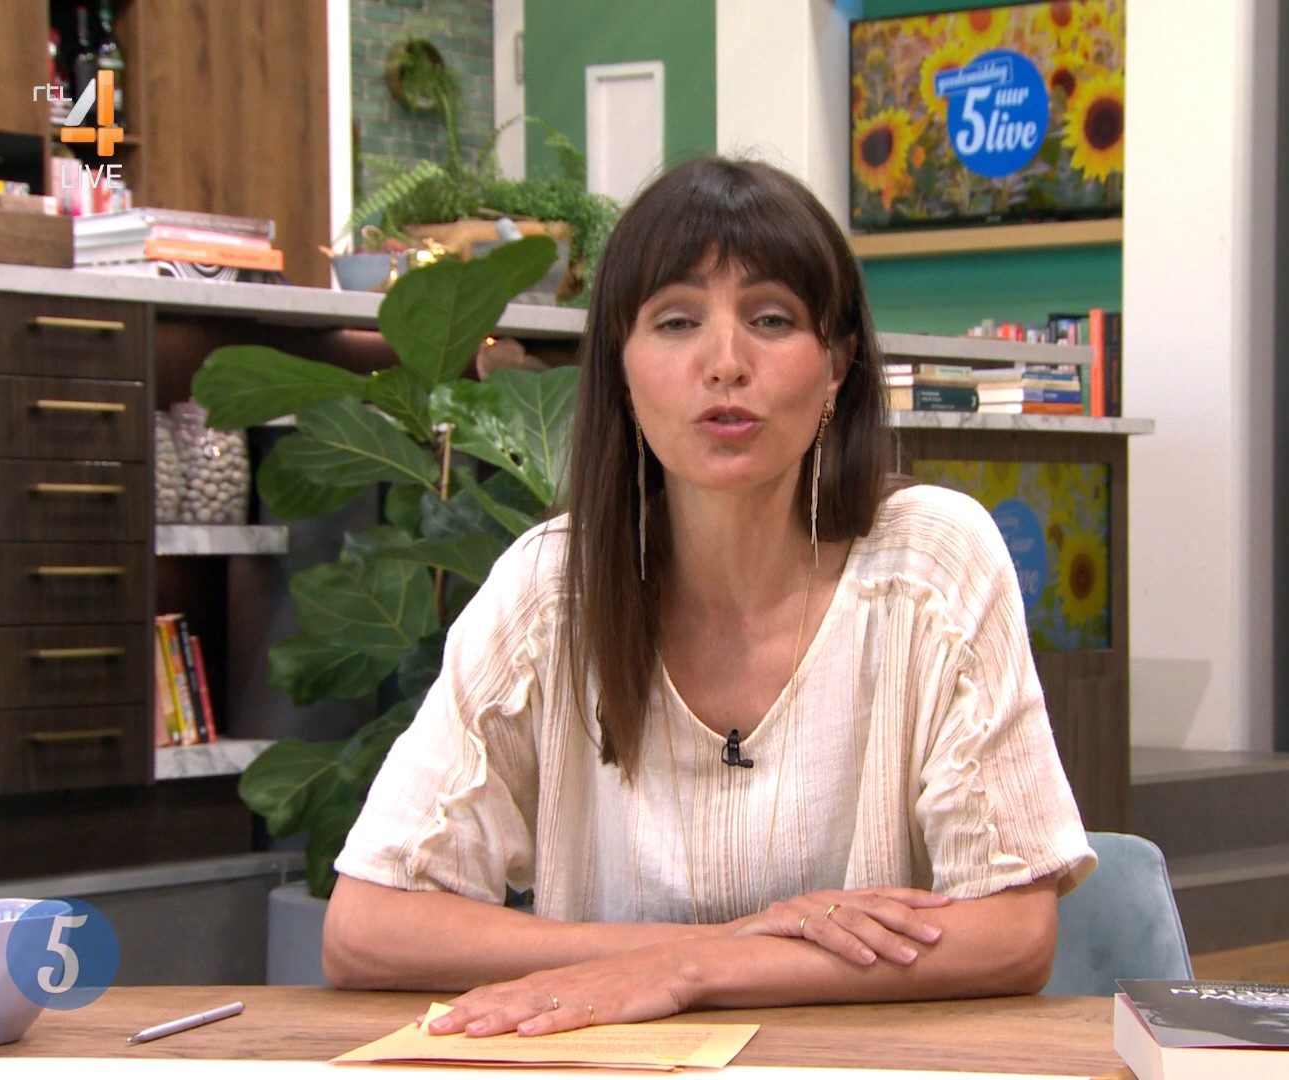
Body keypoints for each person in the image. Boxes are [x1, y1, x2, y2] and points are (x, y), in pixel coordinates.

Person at [323, 156, 1096, 1038]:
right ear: (620, 369)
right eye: (676, 321)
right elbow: (366, 927)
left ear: (837, 366)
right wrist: (702, 948)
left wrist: (692, 969)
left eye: (771, 320)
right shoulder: (552, 588)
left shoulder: (934, 561)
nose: (725, 363)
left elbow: (1014, 933)